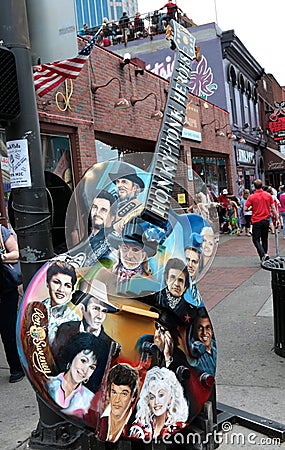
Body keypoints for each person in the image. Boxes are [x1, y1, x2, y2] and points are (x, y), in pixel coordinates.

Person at [52, 278, 120, 392]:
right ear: (83, 309)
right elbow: (55, 362)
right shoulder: (65, 329)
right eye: (95, 309)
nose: (100, 316)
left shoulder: (109, 344)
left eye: (104, 311)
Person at [46, 332, 106, 419]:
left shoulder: (90, 399)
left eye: (92, 367)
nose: (85, 370)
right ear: (72, 356)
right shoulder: (47, 383)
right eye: (83, 361)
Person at [129, 366, 188, 440]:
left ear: (171, 397)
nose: (156, 402)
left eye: (161, 395)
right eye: (152, 397)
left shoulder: (180, 429)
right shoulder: (140, 428)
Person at [0, 225, 24, 383]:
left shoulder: (1, 231)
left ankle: (16, 368)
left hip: (4, 289)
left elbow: (16, 254)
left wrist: (2, 257)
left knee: (8, 331)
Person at [98, 363, 139, 442]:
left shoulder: (137, 428)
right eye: (114, 392)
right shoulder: (96, 420)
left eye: (123, 394)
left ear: (133, 397)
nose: (117, 400)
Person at [42, 260, 79, 343]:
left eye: (67, 286)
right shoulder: (37, 309)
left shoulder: (75, 319)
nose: (61, 289)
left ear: (72, 290)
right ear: (47, 283)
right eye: (56, 282)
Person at [245, 179, 279, 263]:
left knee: (255, 239)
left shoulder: (252, 197)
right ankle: (264, 256)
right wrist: (277, 218)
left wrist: (251, 208)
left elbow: (245, 209)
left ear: (254, 186)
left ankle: (263, 255)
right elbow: (273, 208)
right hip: (266, 219)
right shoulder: (268, 195)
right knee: (264, 238)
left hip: (256, 220)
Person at [156, 258, 196, 325]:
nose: (176, 284)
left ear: (185, 286)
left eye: (180, 280)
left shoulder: (192, 312)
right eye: (172, 277)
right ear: (166, 279)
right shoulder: (154, 298)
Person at [108, 163, 145, 234]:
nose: (119, 185)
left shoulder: (140, 209)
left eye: (124, 182)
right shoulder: (111, 206)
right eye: (118, 182)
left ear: (134, 188)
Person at [187, 307, 216, 377]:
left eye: (208, 328)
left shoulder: (214, 346)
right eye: (200, 328)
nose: (204, 333)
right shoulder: (195, 351)